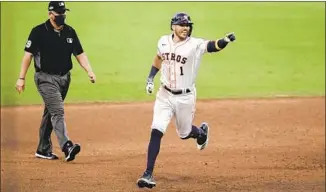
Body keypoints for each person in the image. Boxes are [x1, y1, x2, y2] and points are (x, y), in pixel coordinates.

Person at [137, 12, 236, 188]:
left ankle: (201, 133)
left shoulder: (195, 44)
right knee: (156, 130)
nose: (186, 28)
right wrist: (150, 77)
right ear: (173, 26)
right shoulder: (163, 41)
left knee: (184, 133)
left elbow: (212, 46)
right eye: (182, 25)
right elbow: (159, 58)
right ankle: (148, 174)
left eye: (188, 25)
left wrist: (225, 41)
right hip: (164, 95)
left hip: (185, 97)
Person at [15, 1, 96, 162]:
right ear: (50, 14)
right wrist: (21, 78)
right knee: (57, 110)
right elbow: (28, 55)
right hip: (45, 78)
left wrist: (89, 70)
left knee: (50, 112)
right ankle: (67, 146)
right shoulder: (38, 32)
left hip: (65, 78)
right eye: (59, 13)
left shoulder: (70, 32)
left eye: (64, 12)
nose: (62, 16)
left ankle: (43, 149)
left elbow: (80, 53)